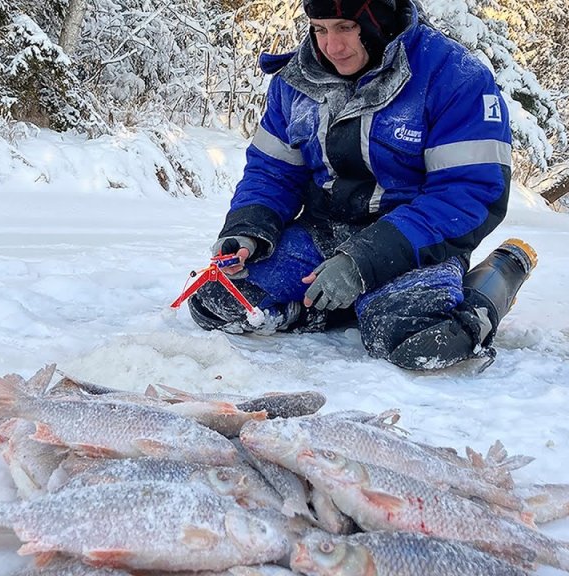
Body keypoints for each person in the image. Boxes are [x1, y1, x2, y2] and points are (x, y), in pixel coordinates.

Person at [188, 0, 537, 370]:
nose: (332, 47)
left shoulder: (455, 77)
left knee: (417, 340)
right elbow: (272, 173)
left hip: (411, 242)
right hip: (322, 233)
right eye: (320, 29)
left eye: (345, 28)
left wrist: (365, 261)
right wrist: (248, 230)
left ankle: (500, 273)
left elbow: (468, 194)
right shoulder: (296, 81)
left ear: (378, 22)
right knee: (219, 304)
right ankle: (343, 305)